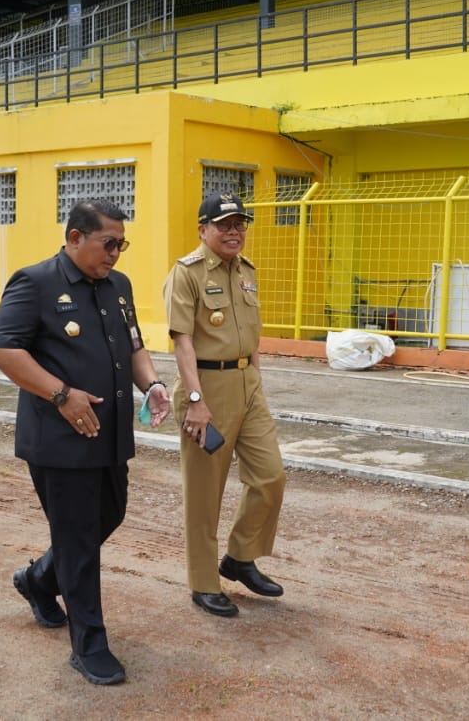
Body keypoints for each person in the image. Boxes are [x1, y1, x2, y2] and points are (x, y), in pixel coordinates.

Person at [0, 198, 171, 686]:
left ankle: (38, 579)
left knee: (108, 516)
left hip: (108, 434)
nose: (116, 253)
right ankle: (89, 646)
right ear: (75, 238)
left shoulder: (118, 286)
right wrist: (62, 395)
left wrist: (152, 383)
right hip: (60, 439)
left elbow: (133, 344)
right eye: (108, 243)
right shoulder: (36, 281)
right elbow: (3, 349)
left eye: (121, 244)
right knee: (79, 543)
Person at [163, 192, 287, 617]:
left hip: (247, 385)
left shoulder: (246, 272)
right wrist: (195, 400)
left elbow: (251, 334)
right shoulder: (187, 273)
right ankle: (203, 582)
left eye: (240, 224)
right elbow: (182, 342)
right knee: (204, 493)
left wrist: (255, 380)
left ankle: (239, 557)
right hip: (206, 388)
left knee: (271, 476)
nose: (234, 232)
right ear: (203, 229)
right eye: (224, 225)